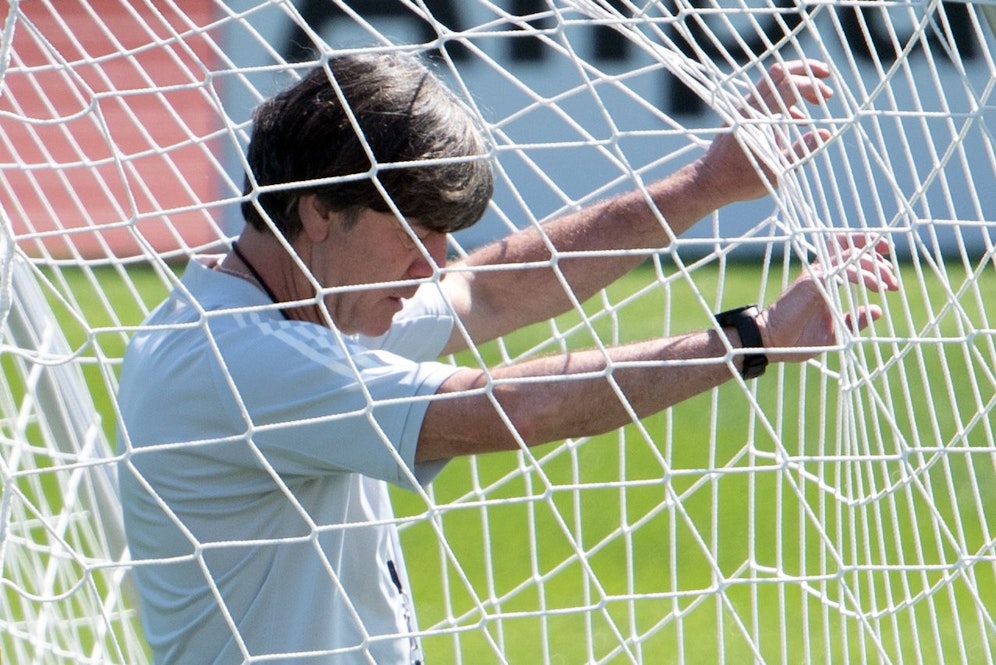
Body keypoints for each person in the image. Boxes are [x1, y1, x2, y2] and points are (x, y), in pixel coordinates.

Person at [116, 52, 898, 664]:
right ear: (321, 210)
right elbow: (508, 408)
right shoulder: (235, 357)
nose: (431, 264)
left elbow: (487, 292)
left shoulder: (302, 306)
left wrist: (707, 184)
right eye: (414, 232)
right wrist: (752, 338)